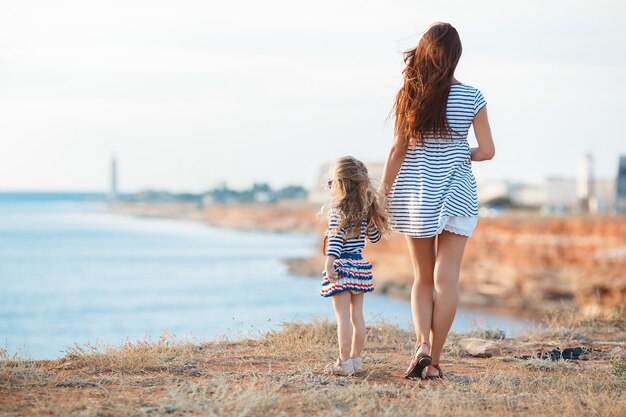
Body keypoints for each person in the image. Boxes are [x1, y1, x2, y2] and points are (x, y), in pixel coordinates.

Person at [379, 22, 495, 380]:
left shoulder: (410, 93)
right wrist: (462, 152)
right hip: (458, 195)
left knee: (422, 280)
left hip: (418, 196)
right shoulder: (473, 96)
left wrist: (383, 191)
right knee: (447, 281)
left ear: (425, 53)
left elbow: (399, 149)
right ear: (457, 56)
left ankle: (421, 348)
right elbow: (488, 151)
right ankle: (437, 362)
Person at [321, 156, 390, 376]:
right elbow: (376, 238)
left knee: (342, 318)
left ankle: (343, 363)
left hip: (341, 265)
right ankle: (356, 360)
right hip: (359, 267)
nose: (330, 186)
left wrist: (329, 262)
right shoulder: (365, 211)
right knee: (357, 316)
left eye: (332, 182)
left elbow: (335, 239)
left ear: (340, 184)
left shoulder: (337, 211)